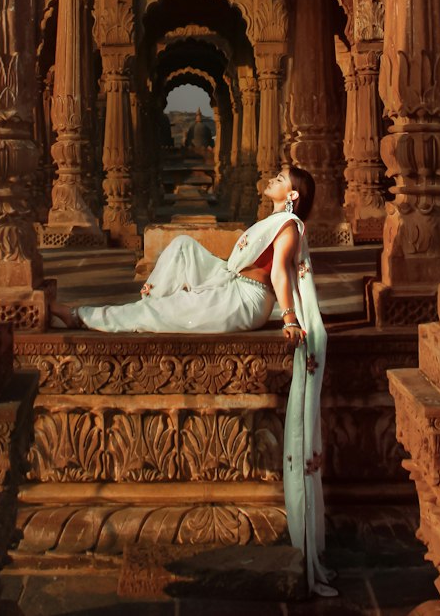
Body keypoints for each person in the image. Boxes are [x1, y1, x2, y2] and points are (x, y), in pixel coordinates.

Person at [49, 164, 336, 597]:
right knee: (182, 247)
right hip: (234, 286)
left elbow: (280, 274)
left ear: (292, 196)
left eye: (282, 178)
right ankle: (149, 299)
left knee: (157, 316)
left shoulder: (288, 227)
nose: (274, 178)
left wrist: (291, 320)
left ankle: (78, 315)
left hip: (245, 301)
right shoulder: (275, 221)